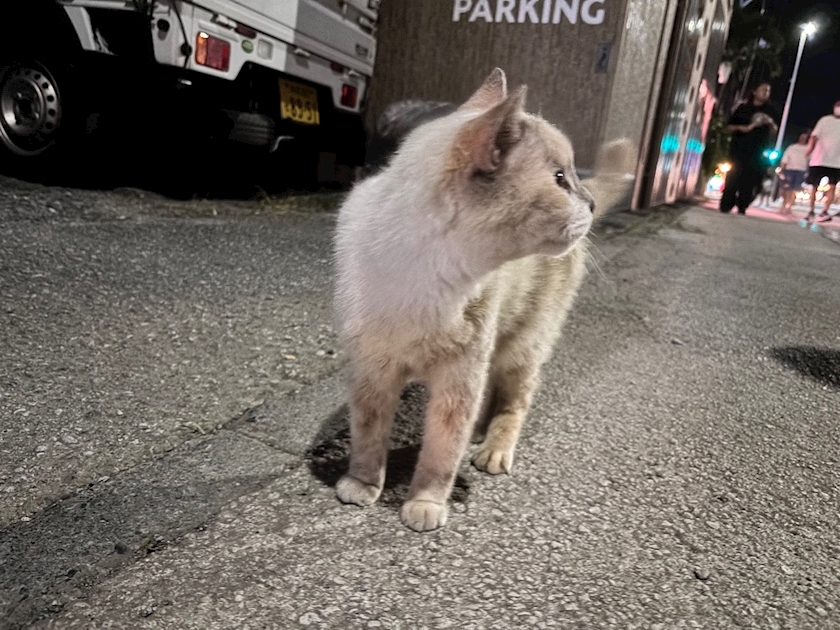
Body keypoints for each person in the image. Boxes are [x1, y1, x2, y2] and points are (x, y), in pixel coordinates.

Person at [720, 82, 779, 215]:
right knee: (733, 177)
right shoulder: (743, 108)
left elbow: (775, 131)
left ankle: (742, 204)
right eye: (763, 89)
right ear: (754, 92)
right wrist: (741, 128)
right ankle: (726, 205)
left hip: (758, 151)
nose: (766, 92)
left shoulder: (770, 111)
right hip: (738, 149)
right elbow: (729, 127)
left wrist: (770, 123)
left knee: (753, 180)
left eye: (768, 91)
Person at [802, 100, 840, 227]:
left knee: (832, 186)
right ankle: (811, 210)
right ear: (834, 107)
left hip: (837, 161)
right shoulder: (824, 120)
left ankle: (824, 211)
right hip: (819, 159)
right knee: (814, 186)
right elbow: (814, 136)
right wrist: (809, 149)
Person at [778, 131, 810, 216]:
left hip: (801, 170)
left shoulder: (808, 149)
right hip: (789, 169)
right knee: (786, 189)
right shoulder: (792, 147)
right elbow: (785, 158)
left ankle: (789, 207)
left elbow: (809, 160)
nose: (803, 139)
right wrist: (782, 168)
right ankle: (784, 204)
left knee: (794, 190)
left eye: (805, 137)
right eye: (802, 137)